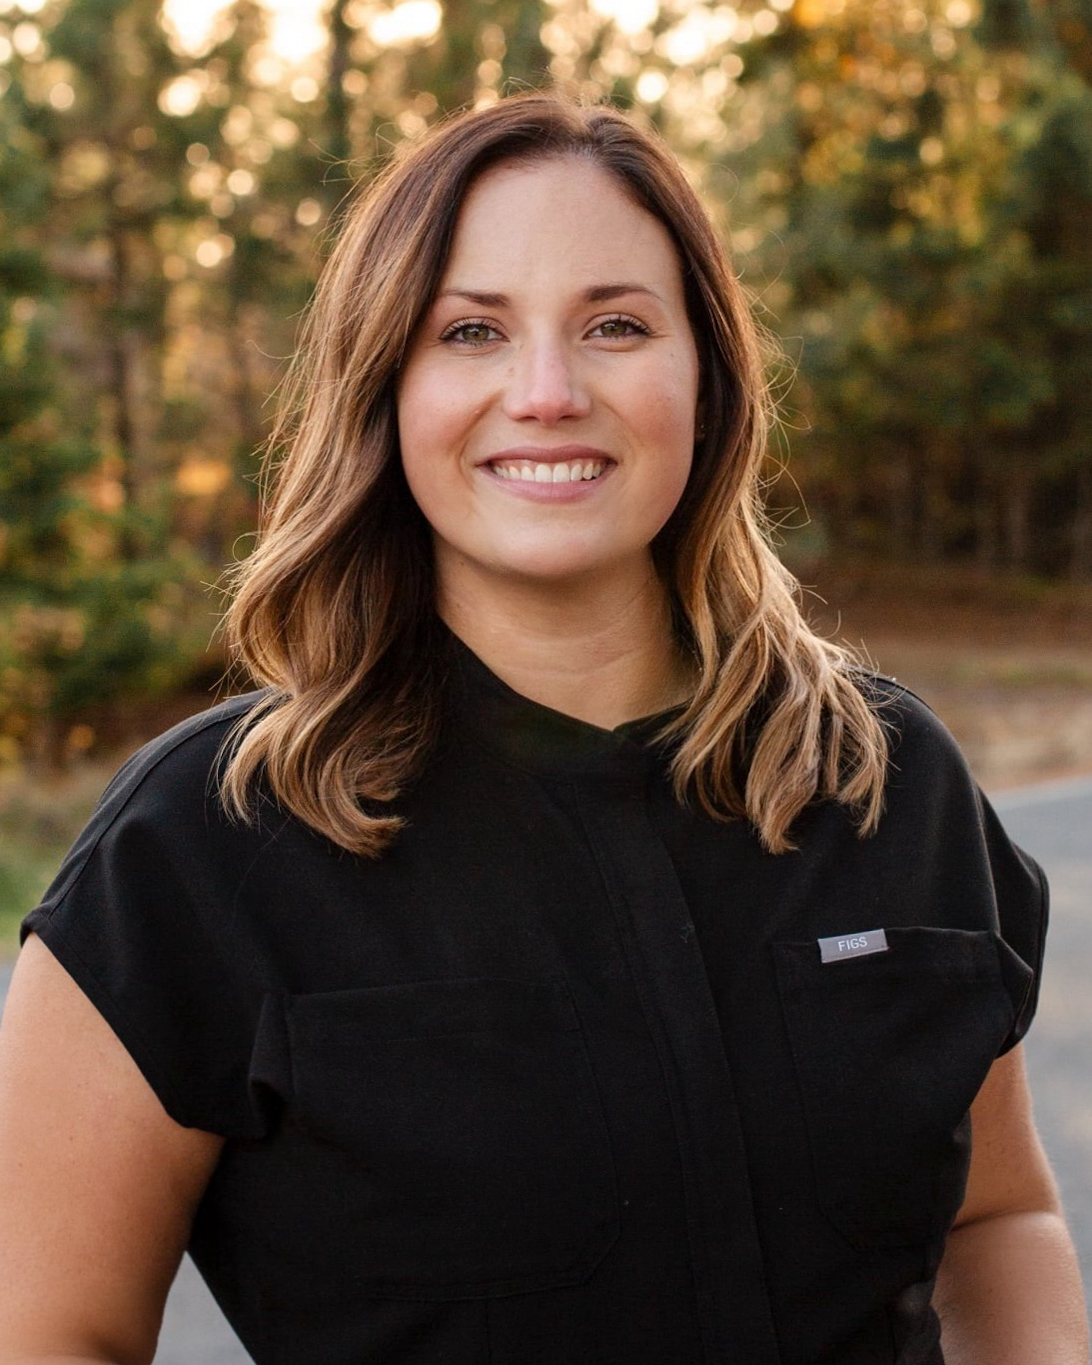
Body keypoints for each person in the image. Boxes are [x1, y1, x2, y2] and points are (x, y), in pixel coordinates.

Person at [0, 92, 1086, 1365]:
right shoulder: (198, 844)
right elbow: (50, 1333)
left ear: (708, 378)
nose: (548, 392)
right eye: (471, 331)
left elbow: (999, 1219)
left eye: (616, 325)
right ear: (385, 388)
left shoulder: (887, 780)